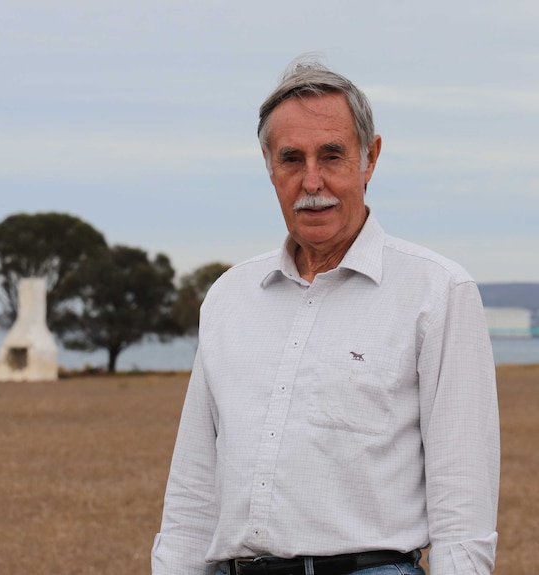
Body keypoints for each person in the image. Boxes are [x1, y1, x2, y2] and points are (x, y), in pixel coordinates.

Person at [151, 56, 500, 575]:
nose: (311, 181)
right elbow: (192, 495)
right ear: (269, 166)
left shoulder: (437, 292)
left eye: (332, 156)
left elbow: (463, 514)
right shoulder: (229, 297)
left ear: (370, 158)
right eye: (292, 158)